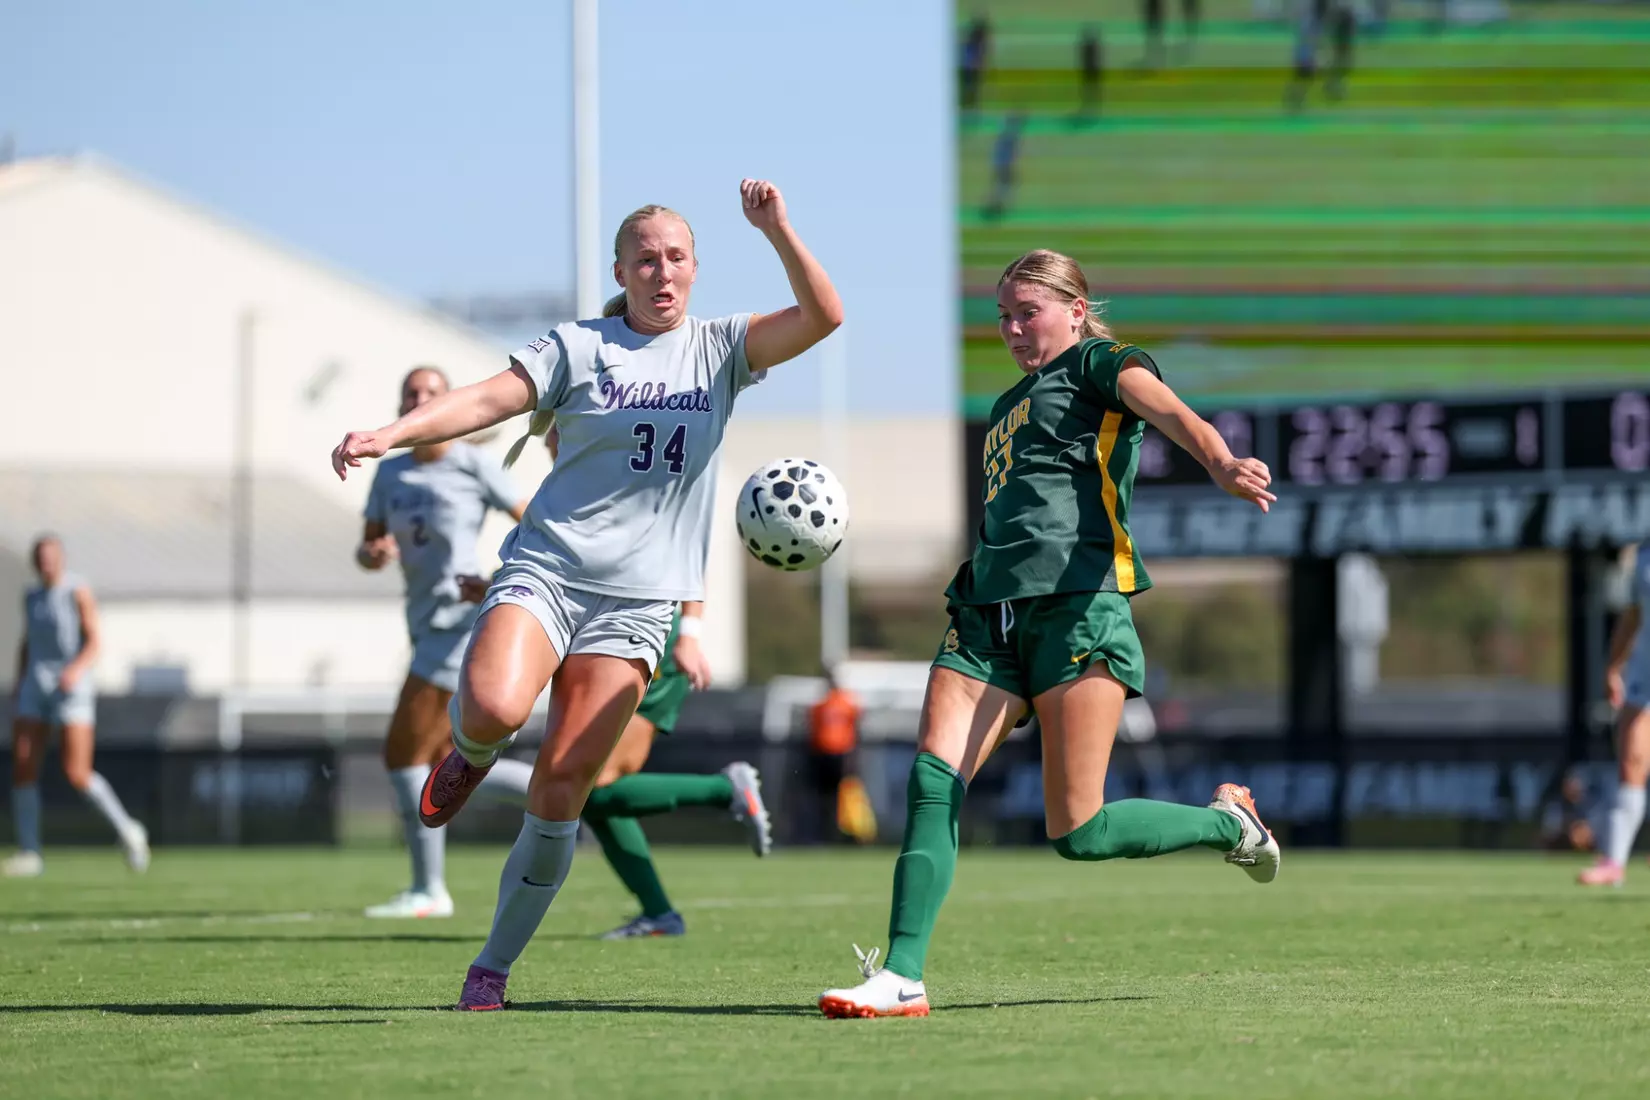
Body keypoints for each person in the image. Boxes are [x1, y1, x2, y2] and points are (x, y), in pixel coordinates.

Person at [330, 179, 841, 1010]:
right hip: (549, 570)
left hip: (639, 606)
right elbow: (486, 399)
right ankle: (472, 750)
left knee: (565, 787)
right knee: (493, 705)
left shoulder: (721, 348)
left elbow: (823, 316)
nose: (662, 271)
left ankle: (490, 970)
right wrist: (392, 433)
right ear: (622, 270)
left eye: (676, 257)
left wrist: (778, 228)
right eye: (646, 259)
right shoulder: (579, 345)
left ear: (695, 268)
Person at [817, 249, 1280, 1019]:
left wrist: (1221, 459)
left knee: (1080, 830)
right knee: (933, 781)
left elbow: (1169, 410)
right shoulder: (1003, 408)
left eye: (1026, 312)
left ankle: (1226, 824)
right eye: (1002, 315)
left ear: (1074, 307)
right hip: (989, 612)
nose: (1011, 328)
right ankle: (902, 975)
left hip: (1079, 605)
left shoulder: (1100, 364)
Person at [531, 426, 772, 940]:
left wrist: (691, 631)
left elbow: (687, 547)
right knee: (591, 791)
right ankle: (660, 912)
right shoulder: (574, 484)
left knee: (592, 784)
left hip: (650, 640)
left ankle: (722, 791)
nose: (550, 435)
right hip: (613, 641)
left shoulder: (622, 473)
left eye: (560, 422)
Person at [355, 366, 536, 918]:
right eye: (411, 393)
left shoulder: (475, 466)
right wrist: (375, 555)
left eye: (431, 393)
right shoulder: (390, 475)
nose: (420, 399)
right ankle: (563, 790)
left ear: (448, 403)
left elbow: (534, 527)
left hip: (456, 627)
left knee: (403, 755)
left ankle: (428, 889)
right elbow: (368, 548)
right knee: (444, 759)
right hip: (422, 623)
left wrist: (495, 582)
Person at [5, 536, 149, 877]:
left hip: (72, 689)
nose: (46, 563)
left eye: (51, 557)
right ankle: (30, 852)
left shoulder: (77, 591)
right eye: (41, 557)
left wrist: (75, 670)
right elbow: (29, 641)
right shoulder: (31, 596)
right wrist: (20, 681)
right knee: (23, 766)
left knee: (76, 772)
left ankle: (128, 829)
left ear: (62, 559)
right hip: (35, 687)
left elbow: (95, 641)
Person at [1579, 542, 1650, 886]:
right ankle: (1614, 863)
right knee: (1632, 761)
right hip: (1645, 672)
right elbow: (1634, 613)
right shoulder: (1644, 555)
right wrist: (1614, 665)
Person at [805, 668, 863, 844]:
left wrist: (852, 756)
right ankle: (827, 833)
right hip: (824, 754)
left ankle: (847, 834)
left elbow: (855, 729)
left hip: (841, 755)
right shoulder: (821, 706)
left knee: (843, 796)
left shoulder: (846, 704)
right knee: (825, 797)